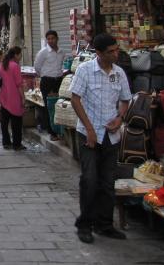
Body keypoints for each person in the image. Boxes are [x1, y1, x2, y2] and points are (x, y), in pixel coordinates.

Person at [69, 33, 131, 244]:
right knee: (89, 180)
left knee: (107, 182)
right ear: (99, 53)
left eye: (116, 50)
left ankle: (104, 224)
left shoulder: (119, 73)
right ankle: (84, 224)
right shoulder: (85, 71)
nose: (116, 54)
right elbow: (75, 99)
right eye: (111, 51)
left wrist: (119, 118)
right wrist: (89, 129)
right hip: (89, 135)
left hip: (111, 136)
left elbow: (125, 100)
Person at [34, 30, 67, 141]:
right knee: (49, 107)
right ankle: (51, 132)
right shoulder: (43, 52)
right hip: (47, 81)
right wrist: (45, 75)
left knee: (59, 105)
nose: (51, 41)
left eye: (53, 38)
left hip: (58, 81)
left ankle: (60, 131)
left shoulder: (62, 52)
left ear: (57, 38)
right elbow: (37, 67)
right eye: (48, 39)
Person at [0, 46, 26, 151]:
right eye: (20, 54)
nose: (21, 56)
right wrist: (23, 98)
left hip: (4, 97)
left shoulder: (2, 65)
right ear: (16, 55)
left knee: (4, 122)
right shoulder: (15, 66)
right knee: (16, 123)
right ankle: (17, 144)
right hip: (14, 98)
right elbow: (19, 84)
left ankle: (6, 142)